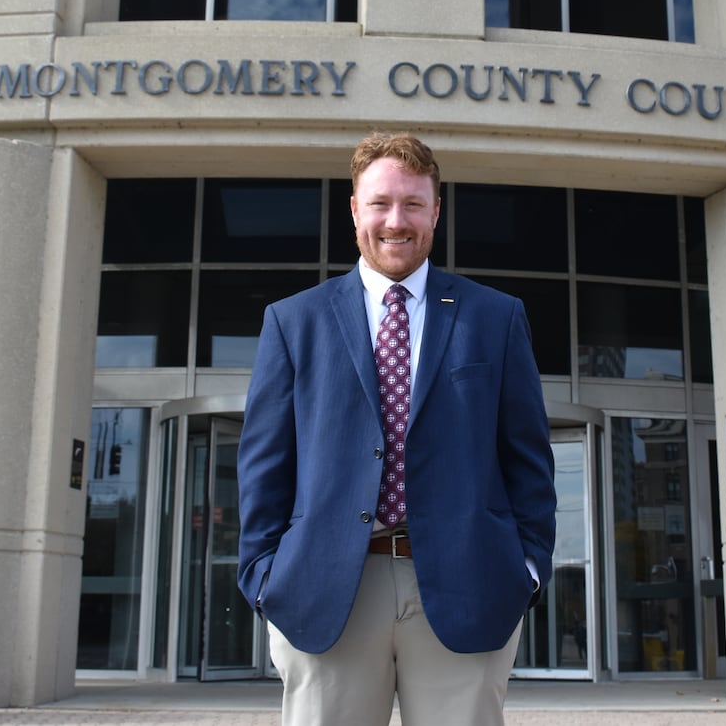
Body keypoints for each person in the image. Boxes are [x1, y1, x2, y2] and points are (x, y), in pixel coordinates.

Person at [237, 132, 557, 726]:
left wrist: (527, 569)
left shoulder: (496, 317)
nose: (396, 220)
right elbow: (264, 464)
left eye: (413, 204)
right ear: (355, 210)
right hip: (326, 588)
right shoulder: (292, 321)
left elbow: (527, 458)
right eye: (380, 203)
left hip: (469, 584)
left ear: (436, 211)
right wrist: (264, 576)